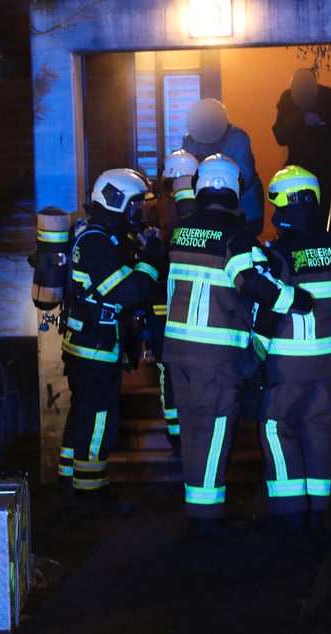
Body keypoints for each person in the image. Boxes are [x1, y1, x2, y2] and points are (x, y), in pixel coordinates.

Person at [162, 154, 313, 536]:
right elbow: (254, 284)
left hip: (177, 353)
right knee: (213, 435)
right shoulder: (235, 236)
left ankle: (199, 511)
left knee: (195, 433)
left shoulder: (182, 230)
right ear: (234, 189)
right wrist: (295, 301)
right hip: (215, 356)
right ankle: (206, 520)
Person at [253, 165, 331, 538]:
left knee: (276, 426)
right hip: (330, 361)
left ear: (286, 202)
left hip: (288, 363)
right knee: (318, 430)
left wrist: (256, 352)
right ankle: (318, 509)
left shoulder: (278, 254)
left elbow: (269, 310)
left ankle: (290, 511)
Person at [58, 168, 164, 510]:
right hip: (95, 349)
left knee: (83, 414)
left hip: (92, 345)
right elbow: (129, 290)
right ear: (115, 201)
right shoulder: (95, 243)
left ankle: (69, 483)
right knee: (100, 417)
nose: (139, 214)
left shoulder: (101, 236)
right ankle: (92, 493)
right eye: (135, 206)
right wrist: (151, 258)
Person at [144, 149, 199, 456]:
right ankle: (183, 431)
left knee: (171, 368)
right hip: (184, 300)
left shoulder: (161, 209)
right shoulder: (204, 208)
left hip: (168, 301)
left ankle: (178, 433)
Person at [272, 68, 331, 232]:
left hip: (326, 176)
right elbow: (280, 135)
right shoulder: (288, 100)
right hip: (300, 176)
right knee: (298, 221)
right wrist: (301, 121)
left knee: (326, 222)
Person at [182, 98, 264, 235]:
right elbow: (186, 174)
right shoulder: (190, 141)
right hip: (208, 211)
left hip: (245, 208)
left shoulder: (238, 138)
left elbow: (246, 174)